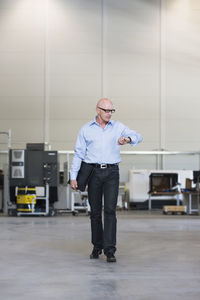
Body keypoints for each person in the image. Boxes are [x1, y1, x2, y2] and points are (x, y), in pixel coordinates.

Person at [70, 98, 142, 262]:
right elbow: (78, 154)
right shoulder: (86, 129)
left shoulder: (118, 127)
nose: (109, 114)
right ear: (98, 110)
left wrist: (128, 139)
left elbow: (138, 136)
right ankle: (97, 247)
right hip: (93, 173)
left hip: (111, 173)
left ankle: (110, 250)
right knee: (95, 212)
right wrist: (73, 177)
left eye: (112, 111)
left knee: (110, 210)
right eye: (106, 110)